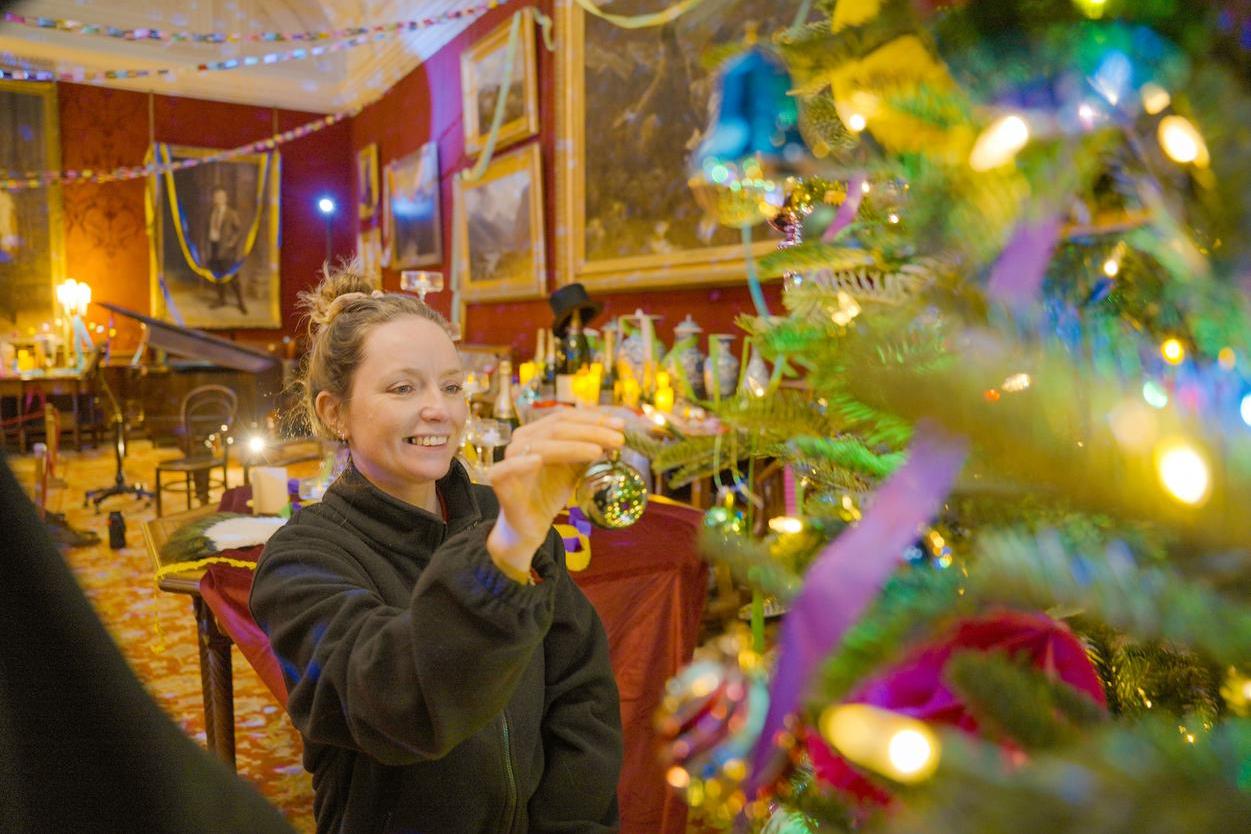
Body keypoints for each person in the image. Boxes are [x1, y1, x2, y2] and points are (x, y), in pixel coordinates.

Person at [249, 262, 624, 833]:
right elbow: (398, 705)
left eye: (451, 386)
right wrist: (504, 553)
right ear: (334, 413)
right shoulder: (300, 560)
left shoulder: (504, 518)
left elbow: (581, 695)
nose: (440, 409)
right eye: (403, 388)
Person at [205, 186, 247, 314]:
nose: (218, 199)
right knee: (218, 276)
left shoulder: (231, 213)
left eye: (221, 197)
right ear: (213, 199)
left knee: (233, 277)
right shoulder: (212, 211)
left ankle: (241, 303)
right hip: (214, 247)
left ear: (226, 199)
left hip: (227, 251)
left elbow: (239, 230)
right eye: (216, 197)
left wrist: (231, 243)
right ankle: (221, 299)